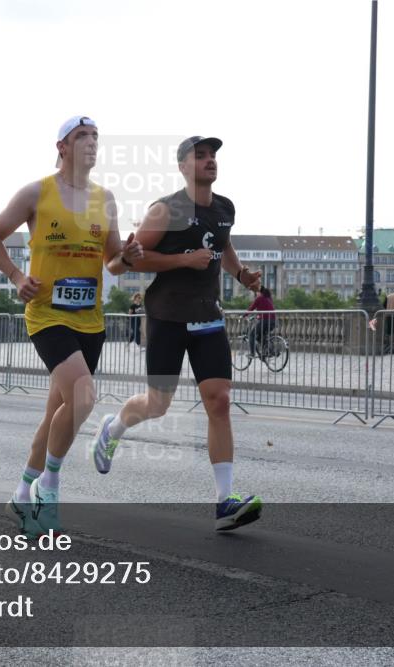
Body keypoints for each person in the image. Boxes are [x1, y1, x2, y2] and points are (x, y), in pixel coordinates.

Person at [90, 135, 264, 532]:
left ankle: (225, 502)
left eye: (213, 155)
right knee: (157, 405)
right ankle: (112, 428)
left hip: (209, 318)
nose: (209, 161)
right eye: (200, 156)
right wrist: (184, 260)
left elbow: (224, 244)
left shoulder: (224, 208)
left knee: (218, 402)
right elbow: (129, 261)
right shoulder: (165, 210)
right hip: (168, 317)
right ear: (183, 166)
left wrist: (240, 273)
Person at [0, 115, 143, 537]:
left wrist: (127, 257)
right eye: (82, 137)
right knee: (84, 395)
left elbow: (112, 262)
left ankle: (21, 494)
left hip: (90, 320)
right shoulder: (37, 192)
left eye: (95, 137)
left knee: (58, 413)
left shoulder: (104, 200)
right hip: (46, 314)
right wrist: (17, 277)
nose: (91, 143)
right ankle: (48, 489)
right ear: (62, 147)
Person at [246, 285, 275, 358]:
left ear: (259, 292)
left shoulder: (259, 298)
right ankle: (268, 351)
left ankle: (252, 354)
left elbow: (251, 308)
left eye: (256, 293)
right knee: (260, 337)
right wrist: (258, 316)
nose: (255, 294)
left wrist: (243, 315)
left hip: (265, 321)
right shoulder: (269, 297)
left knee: (252, 335)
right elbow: (265, 308)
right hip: (273, 321)